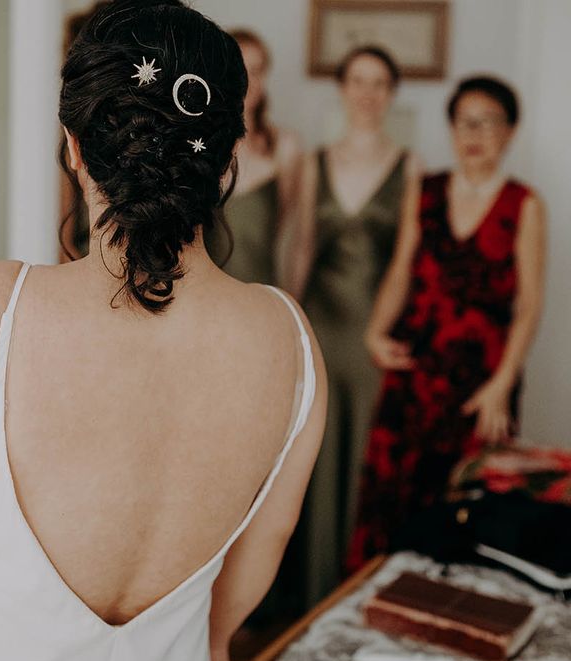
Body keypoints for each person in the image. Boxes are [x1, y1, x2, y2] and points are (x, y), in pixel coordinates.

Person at [0, 2, 327, 661]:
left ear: (74, 146)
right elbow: (261, 552)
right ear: (228, 156)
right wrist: (215, 653)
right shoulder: (291, 339)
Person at [346, 75, 546, 572]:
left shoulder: (524, 205)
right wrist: (375, 331)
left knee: (465, 508)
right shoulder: (427, 189)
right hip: (414, 374)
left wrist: (502, 385)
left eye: (488, 122)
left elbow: (529, 304)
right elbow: (400, 271)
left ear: (510, 131)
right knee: (392, 502)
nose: (474, 133)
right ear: (452, 128)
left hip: (480, 388)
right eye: (464, 122)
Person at [284, 45, 421, 605]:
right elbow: (302, 249)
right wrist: (289, 321)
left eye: (379, 83)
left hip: (373, 333)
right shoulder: (315, 161)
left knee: (366, 457)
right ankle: (308, 592)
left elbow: (408, 260)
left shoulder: (410, 166)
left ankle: (358, 590)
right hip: (321, 323)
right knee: (315, 454)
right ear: (341, 89)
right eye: (358, 80)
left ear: (391, 94)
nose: (367, 93)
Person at [203, 29, 303, 285]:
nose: (248, 80)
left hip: (263, 288)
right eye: (240, 69)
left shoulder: (285, 147)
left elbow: (291, 234)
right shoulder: (198, 146)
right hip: (206, 294)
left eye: (257, 70)